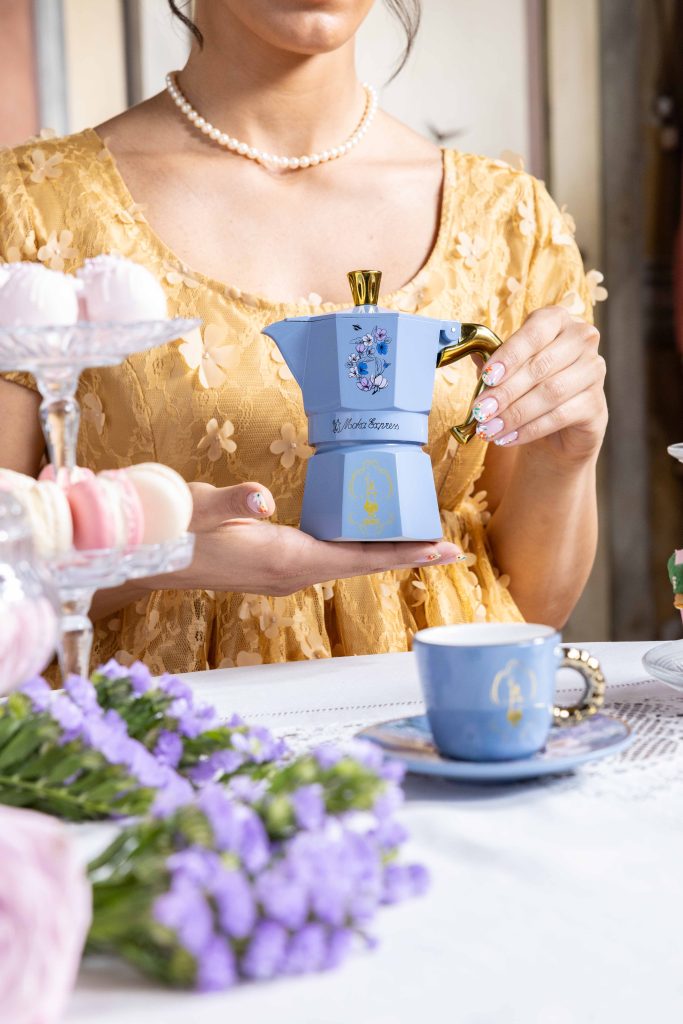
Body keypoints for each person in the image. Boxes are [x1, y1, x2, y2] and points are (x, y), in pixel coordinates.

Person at [0, 0, 607, 674]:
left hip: (437, 715)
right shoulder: (29, 210)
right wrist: (164, 556)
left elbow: (531, 609)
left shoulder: (511, 221)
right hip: (164, 727)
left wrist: (566, 458)